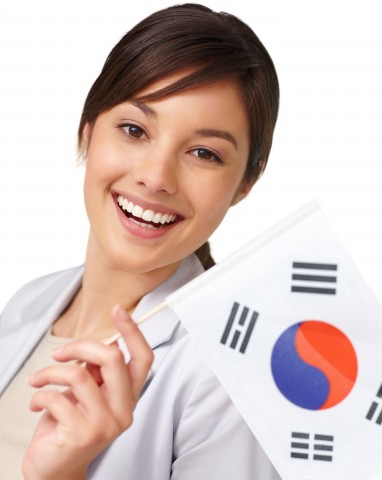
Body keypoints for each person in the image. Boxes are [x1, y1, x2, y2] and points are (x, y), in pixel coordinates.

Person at [0, 3, 280, 479]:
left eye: (204, 153)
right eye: (134, 129)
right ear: (88, 130)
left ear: (245, 184)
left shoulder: (231, 376)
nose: (155, 177)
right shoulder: (32, 299)